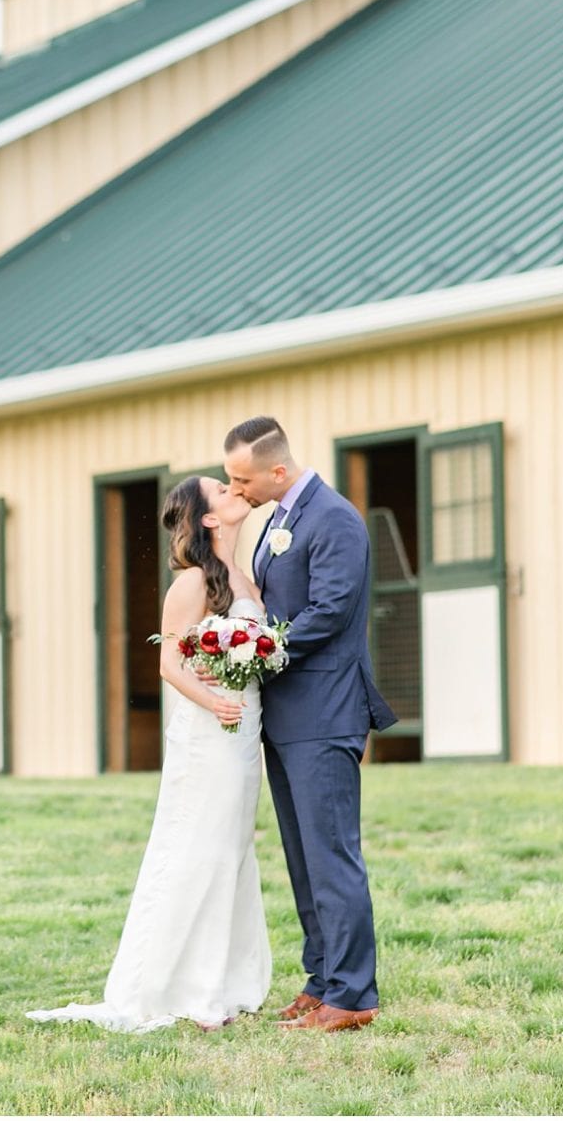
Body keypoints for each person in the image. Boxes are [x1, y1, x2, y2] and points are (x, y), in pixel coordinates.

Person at [27, 475, 270, 1033]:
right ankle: (178, 987)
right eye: (222, 488)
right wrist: (215, 701)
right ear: (208, 518)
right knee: (199, 846)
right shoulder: (189, 584)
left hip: (243, 727)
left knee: (232, 847)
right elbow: (169, 665)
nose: (235, 490)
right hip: (210, 731)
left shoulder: (245, 575)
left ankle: (222, 981)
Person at [221, 416, 397, 1033]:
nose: (236, 490)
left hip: (325, 712)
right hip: (287, 715)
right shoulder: (277, 523)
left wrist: (258, 649)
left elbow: (329, 611)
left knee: (331, 855)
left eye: (242, 479)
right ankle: (322, 980)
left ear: (277, 469)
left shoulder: (336, 519)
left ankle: (353, 996)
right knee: (302, 858)